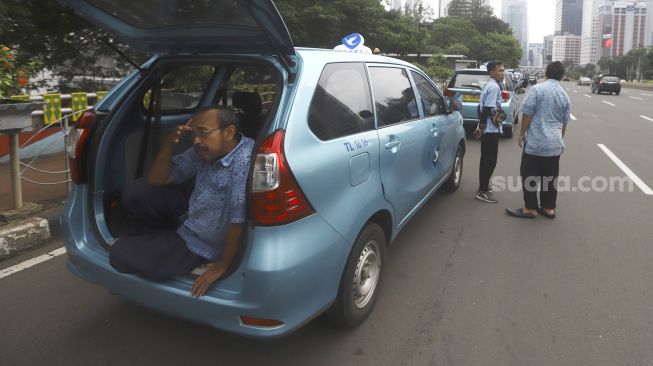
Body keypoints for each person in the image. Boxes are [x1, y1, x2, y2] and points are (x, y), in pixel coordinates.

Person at [109, 106, 255, 297]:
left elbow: (238, 222)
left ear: (229, 133)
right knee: (135, 192)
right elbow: (157, 179)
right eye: (194, 133)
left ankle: (167, 245)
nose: (196, 140)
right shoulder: (205, 151)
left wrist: (221, 267)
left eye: (203, 132)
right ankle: (161, 238)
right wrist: (169, 144)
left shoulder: (244, 161)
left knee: (119, 253)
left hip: (202, 243)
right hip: (192, 215)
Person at [505, 61, 571, 219]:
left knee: (530, 175)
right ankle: (549, 208)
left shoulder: (537, 89)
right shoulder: (565, 95)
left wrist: (521, 134)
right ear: (562, 76)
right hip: (555, 145)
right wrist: (558, 140)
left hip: (535, 143)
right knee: (550, 176)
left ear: (546, 73)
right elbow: (564, 122)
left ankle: (530, 209)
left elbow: (527, 114)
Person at [473, 60, 505, 203]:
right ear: (492, 72)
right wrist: (482, 126)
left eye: (503, 70)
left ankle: (484, 187)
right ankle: (482, 190)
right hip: (490, 130)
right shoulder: (493, 87)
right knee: (490, 161)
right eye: (500, 71)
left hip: (489, 128)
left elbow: (480, 108)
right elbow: (486, 108)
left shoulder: (490, 84)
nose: (502, 73)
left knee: (486, 159)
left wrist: (480, 126)